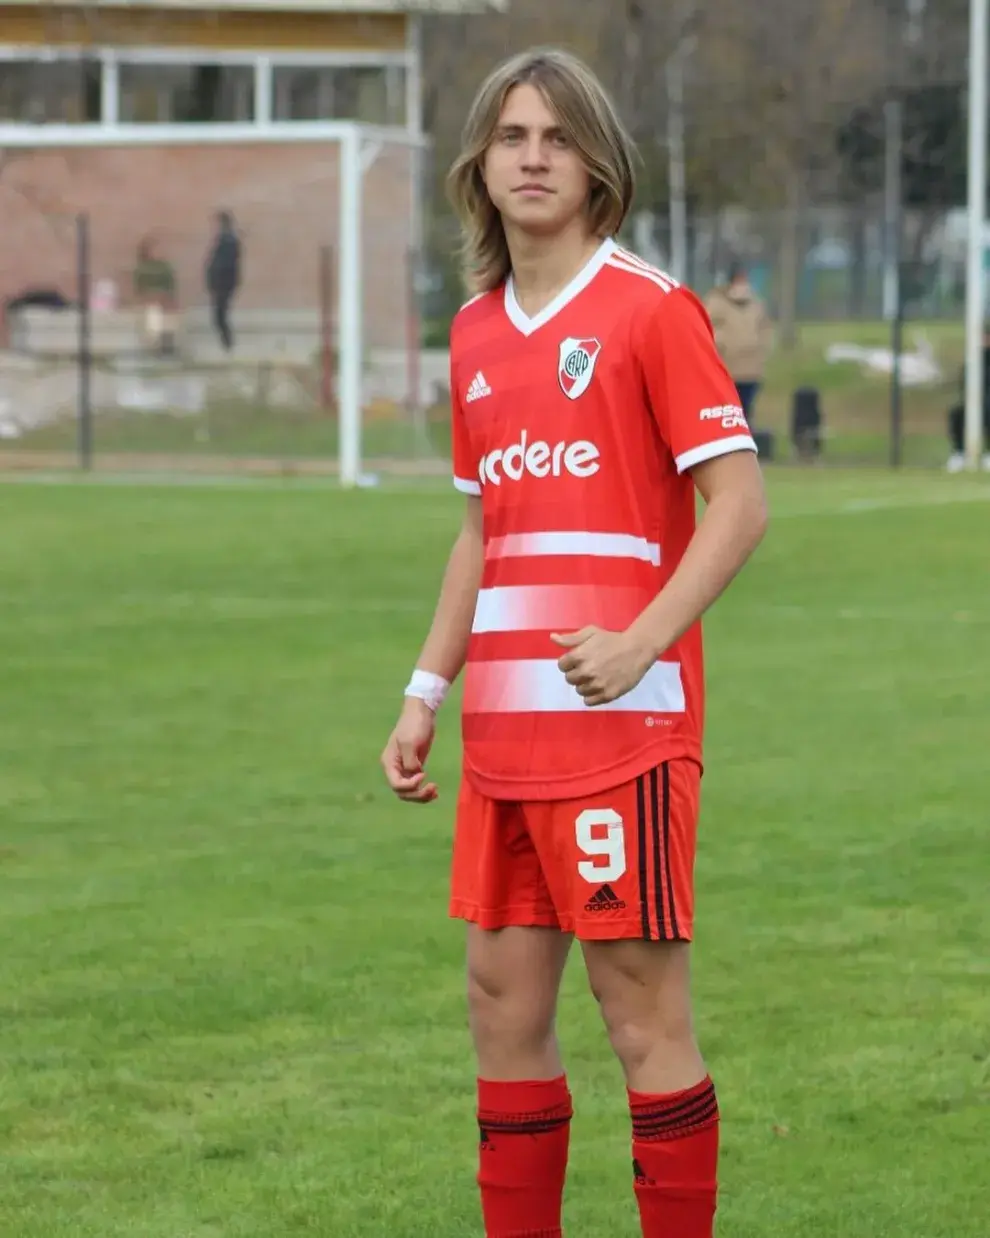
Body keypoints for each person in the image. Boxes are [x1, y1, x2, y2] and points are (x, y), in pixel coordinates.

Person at [380, 47, 768, 1238]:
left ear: (600, 165)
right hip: (503, 740)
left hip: (623, 734)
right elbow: (478, 530)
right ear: (479, 169)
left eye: (556, 136)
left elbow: (741, 502)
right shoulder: (477, 332)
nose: (533, 156)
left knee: (638, 1010)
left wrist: (642, 639)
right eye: (511, 137)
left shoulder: (650, 309)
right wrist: (424, 688)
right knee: (500, 1004)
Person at [703, 261, 772, 426]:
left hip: (751, 369)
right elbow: (706, 328)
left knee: (746, 412)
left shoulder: (756, 303)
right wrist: (722, 342)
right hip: (727, 369)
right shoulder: (715, 302)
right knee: (728, 413)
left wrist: (760, 347)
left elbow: (765, 328)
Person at [946, 322, 990, 472]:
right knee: (957, 412)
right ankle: (959, 453)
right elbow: (964, 381)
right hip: (978, 401)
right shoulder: (975, 358)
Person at [205, 210, 241, 352]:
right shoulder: (223, 240)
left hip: (223, 284)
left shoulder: (228, 241)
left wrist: (216, 281)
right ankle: (227, 343)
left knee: (220, 315)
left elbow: (226, 264)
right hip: (221, 284)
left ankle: (228, 344)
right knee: (219, 315)